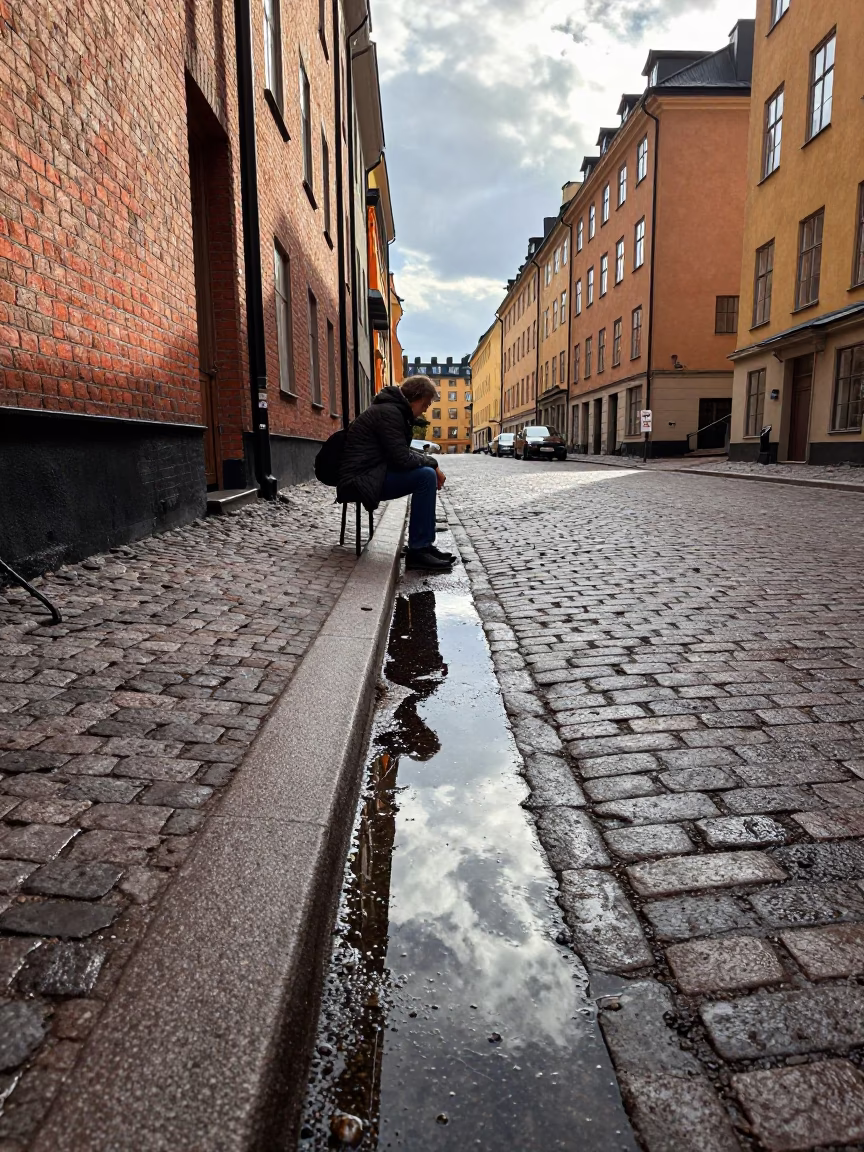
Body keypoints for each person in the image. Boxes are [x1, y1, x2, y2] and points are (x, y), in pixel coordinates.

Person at [338, 377, 454, 572]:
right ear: (414, 398)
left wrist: (430, 464)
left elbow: (401, 452)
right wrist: (433, 465)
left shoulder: (392, 410)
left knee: (425, 473)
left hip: (371, 472)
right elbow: (402, 459)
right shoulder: (389, 413)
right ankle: (418, 550)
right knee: (425, 477)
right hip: (361, 480)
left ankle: (424, 545)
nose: (425, 409)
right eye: (425, 404)